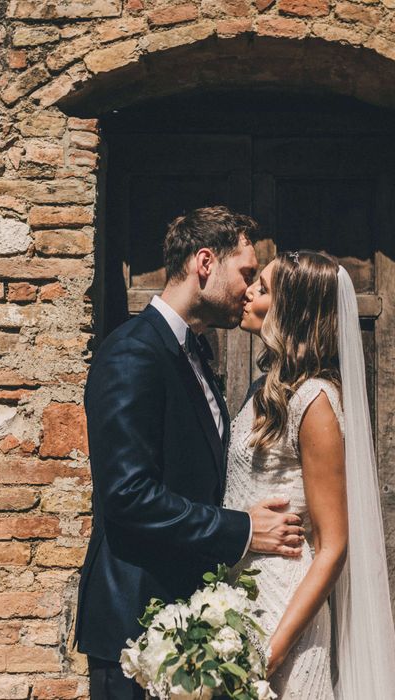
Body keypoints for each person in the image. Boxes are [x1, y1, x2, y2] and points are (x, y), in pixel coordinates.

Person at [75, 207, 306, 700]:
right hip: (134, 627)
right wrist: (242, 529)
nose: (250, 290)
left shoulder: (196, 353)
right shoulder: (133, 353)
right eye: (246, 273)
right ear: (205, 262)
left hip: (189, 619)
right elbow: (128, 496)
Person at [225, 250, 395, 698]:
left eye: (262, 288)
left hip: (286, 615)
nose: (247, 293)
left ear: (290, 310)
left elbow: (333, 545)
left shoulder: (315, 400)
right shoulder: (263, 390)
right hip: (239, 600)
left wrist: (273, 653)